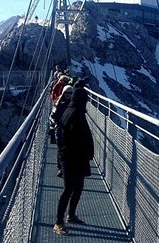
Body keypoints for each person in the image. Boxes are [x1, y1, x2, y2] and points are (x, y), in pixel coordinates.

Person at [53, 87, 94, 235]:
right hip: (71, 157)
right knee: (69, 189)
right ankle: (58, 223)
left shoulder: (73, 110)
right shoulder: (74, 113)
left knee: (78, 187)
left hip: (76, 157)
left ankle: (71, 215)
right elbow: (71, 137)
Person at [49, 85, 73, 176]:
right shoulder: (58, 103)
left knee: (68, 150)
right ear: (63, 93)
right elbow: (52, 115)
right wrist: (54, 122)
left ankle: (65, 168)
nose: (68, 95)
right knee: (60, 150)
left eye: (70, 93)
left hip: (69, 131)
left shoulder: (73, 104)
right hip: (59, 130)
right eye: (67, 93)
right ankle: (60, 168)